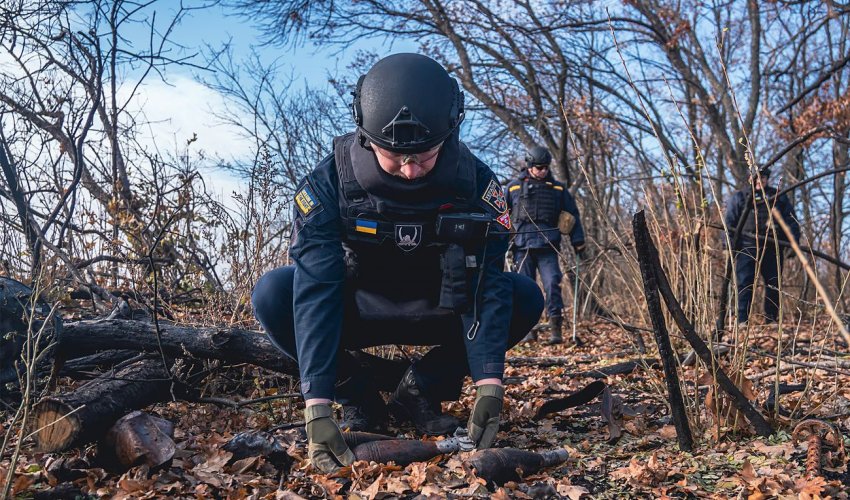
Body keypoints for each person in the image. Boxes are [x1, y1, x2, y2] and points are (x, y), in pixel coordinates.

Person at [251, 53, 544, 473]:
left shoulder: (478, 185)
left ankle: (421, 389)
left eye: (424, 155)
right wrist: (317, 404)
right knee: (274, 292)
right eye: (396, 156)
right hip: (357, 308)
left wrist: (490, 383)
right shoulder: (328, 183)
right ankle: (358, 395)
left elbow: (489, 287)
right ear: (368, 138)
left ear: (451, 132)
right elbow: (315, 284)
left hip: (441, 307)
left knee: (525, 294)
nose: (410, 170)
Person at [505, 146, 585, 344]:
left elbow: (572, 215)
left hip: (548, 246)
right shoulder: (513, 187)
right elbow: (501, 214)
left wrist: (578, 241)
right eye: (539, 167)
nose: (543, 170)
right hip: (522, 247)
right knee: (525, 290)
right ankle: (527, 331)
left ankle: (555, 330)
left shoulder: (557, 189)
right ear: (530, 166)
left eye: (545, 167)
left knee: (552, 284)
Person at [724, 167, 800, 324]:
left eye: (763, 178)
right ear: (750, 179)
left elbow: (791, 221)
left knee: (773, 284)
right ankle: (742, 320)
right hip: (746, 247)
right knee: (745, 283)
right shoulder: (740, 197)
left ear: (767, 179)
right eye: (756, 178)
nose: (760, 181)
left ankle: (771, 320)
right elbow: (730, 223)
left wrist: (793, 244)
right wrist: (729, 244)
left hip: (772, 248)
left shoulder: (778, 197)